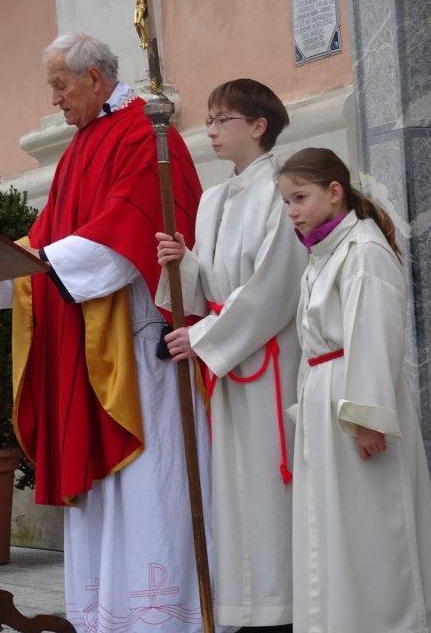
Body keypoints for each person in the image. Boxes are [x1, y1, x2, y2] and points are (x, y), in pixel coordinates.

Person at [0, 33, 213, 633]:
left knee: (147, 488)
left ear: (94, 79)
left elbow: (128, 227)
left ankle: (159, 619)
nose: (54, 100)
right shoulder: (84, 143)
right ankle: (108, 617)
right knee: (108, 497)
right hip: (90, 338)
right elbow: (50, 232)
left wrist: (43, 266)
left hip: (137, 347)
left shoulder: (145, 133)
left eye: (60, 86)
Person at [156, 79, 308, 632]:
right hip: (229, 356)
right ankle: (245, 607)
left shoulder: (280, 191)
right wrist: (183, 260)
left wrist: (203, 338)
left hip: (267, 357)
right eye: (210, 120)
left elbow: (274, 287)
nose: (212, 131)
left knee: (268, 481)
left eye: (223, 120)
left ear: (259, 126)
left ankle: (282, 608)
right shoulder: (214, 199)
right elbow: (209, 284)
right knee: (234, 486)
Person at [278, 147, 431, 633]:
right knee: (333, 528)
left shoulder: (363, 250)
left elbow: (374, 335)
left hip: (353, 407)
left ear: (334, 192)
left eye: (300, 198)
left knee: (370, 527)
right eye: (286, 202)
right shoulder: (323, 252)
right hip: (327, 401)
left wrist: (368, 418)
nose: (292, 212)